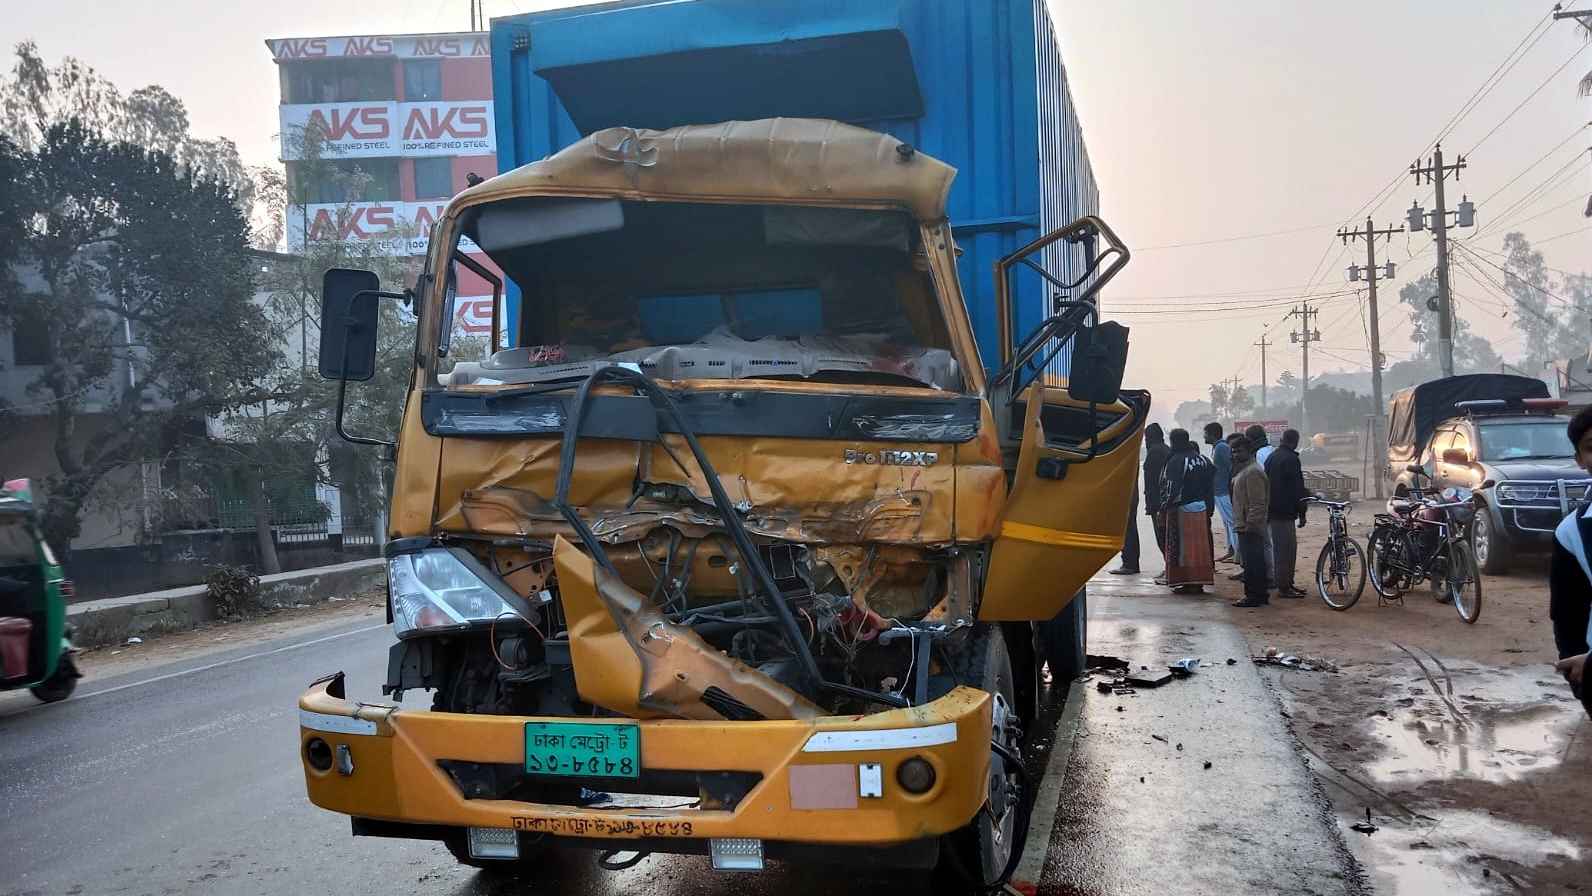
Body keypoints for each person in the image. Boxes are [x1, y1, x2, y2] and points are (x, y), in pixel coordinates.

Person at [1551, 405, 1592, 718]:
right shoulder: (1571, 532)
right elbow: (1567, 612)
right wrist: (1580, 676)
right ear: (1580, 460)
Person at [1158, 429, 1216, 593]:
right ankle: (1199, 581)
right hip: (1202, 508)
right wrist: (1209, 508)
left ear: (1174, 441)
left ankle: (1187, 582)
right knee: (1199, 549)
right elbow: (1209, 486)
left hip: (1182, 510)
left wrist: (1165, 506)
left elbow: (1172, 488)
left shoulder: (1176, 460)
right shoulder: (1203, 459)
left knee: (1183, 550)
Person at [1264, 429, 1309, 598]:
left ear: (1282, 440)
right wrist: (1302, 512)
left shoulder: (1272, 457)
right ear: (1295, 441)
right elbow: (1297, 489)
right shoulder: (1291, 459)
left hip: (1273, 510)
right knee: (1286, 551)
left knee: (1281, 550)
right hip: (1284, 512)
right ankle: (1284, 587)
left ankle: (1286, 584)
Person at [1228, 433, 1271, 607]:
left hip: (1250, 526)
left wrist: (1251, 525)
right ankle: (1258, 595)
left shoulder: (1253, 472)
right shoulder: (1246, 470)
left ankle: (1254, 596)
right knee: (1253, 563)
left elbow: (1257, 502)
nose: (1235, 455)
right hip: (1245, 524)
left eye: (1238, 451)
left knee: (1253, 564)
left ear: (1249, 451)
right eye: (1233, 452)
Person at [1142, 423, 1171, 583]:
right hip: (1163, 502)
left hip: (1158, 503)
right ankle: (1169, 568)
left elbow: (1153, 482)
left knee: (1162, 537)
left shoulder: (1154, 452)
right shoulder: (1165, 449)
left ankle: (1169, 569)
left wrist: (1153, 505)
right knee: (1166, 536)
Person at [1205, 422, 1237, 563]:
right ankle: (1231, 550)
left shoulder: (1221, 448)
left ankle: (1237, 553)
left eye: (1206, 433)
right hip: (1219, 490)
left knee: (1231, 522)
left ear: (1212, 434)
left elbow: (1232, 467)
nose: (1204, 436)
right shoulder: (1217, 447)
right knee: (1226, 522)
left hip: (1224, 490)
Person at [1111, 476, 1141, 575]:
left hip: (1127, 493)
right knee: (1129, 525)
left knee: (1127, 526)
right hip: (1129, 492)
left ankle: (1129, 564)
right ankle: (1130, 564)